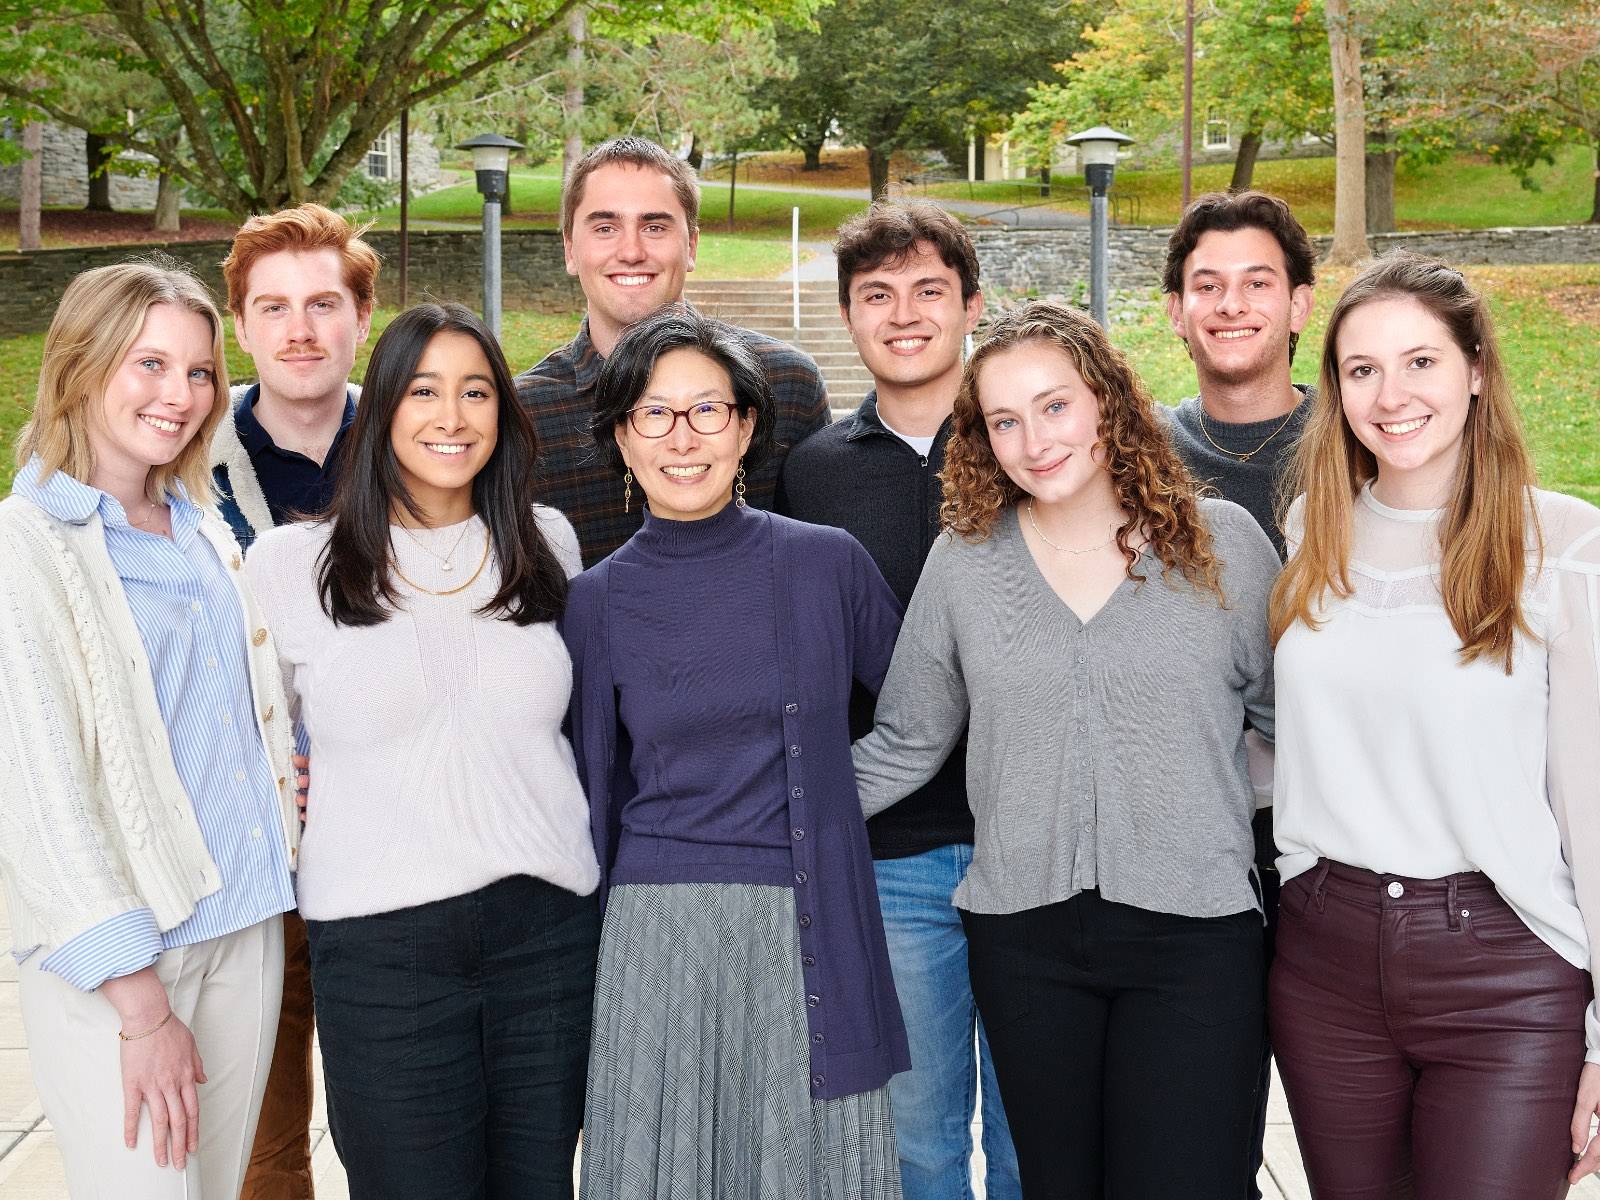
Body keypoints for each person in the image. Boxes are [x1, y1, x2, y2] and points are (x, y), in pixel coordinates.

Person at [854, 301, 1280, 1199]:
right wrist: (753, 816)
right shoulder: (966, 561)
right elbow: (905, 742)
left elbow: (1295, 733)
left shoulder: (1222, 547)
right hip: (1025, 940)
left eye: (1054, 406)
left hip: (1197, 938)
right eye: (1004, 420)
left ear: (1107, 404)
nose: (1033, 440)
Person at [244, 303, 599, 1200]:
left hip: (546, 932)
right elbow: (253, 748)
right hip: (380, 946)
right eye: (425, 391)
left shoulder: (547, 543)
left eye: (476, 391)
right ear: (384, 411)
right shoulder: (293, 565)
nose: (452, 416)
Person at [1267, 251, 1600, 1199]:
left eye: (1421, 362)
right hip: (1325, 957)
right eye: (1361, 368)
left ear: (1476, 371)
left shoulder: (1566, 545)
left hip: (1506, 969)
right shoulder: (1308, 533)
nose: (1391, 393)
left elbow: (1593, 799)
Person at [562, 306, 908, 1199]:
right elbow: (592, 796)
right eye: (654, 413)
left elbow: (924, 712)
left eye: (708, 411)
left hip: (807, 917)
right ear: (622, 439)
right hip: (657, 933)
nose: (684, 438)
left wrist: (836, 801)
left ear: (747, 427)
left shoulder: (825, 565)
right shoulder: (595, 602)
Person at [0, 259, 299, 1198]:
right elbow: (37, 792)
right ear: (81, 368)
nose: (180, 395)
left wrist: (285, 765)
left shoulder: (198, 522)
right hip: (132, 955)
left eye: (200, 371)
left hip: (247, 920)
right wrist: (138, 1004)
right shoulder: (28, 546)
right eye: (149, 365)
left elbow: (223, 702)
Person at [778, 200, 1020, 1200]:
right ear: (847, 317)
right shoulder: (812, 473)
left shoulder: (1029, 447)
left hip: (1034, 853)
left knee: (1033, 1143)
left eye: (929, 291)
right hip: (891, 863)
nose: (904, 314)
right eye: (876, 295)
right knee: (913, 1147)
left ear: (971, 306)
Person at [212, 200, 378, 1200]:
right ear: (241, 324)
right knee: (261, 1148)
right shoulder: (185, 463)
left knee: (397, 1124)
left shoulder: (418, 447)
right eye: (272, 307)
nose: (300, 330)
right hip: (246, 857)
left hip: (386, 853)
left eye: (324, 303)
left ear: (363, 314)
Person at [1160, 189, 1317, 1198]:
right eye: (1204, 285)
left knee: (1345, 1116)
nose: (1230, 304)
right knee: (1200, 1129)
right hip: (1189, 838)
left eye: (1256, 282)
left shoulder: (1368, 444)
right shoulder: (1135, 459)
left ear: (1299, 303)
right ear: (1173, 309)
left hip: (1340, 837)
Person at [515, 135, 830, 567]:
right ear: (571, 249)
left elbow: (817, 568)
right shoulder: (521, 414)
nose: (631, 251)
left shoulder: (786, 383)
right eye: (605, 227)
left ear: (692, 246)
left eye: (655, 227)